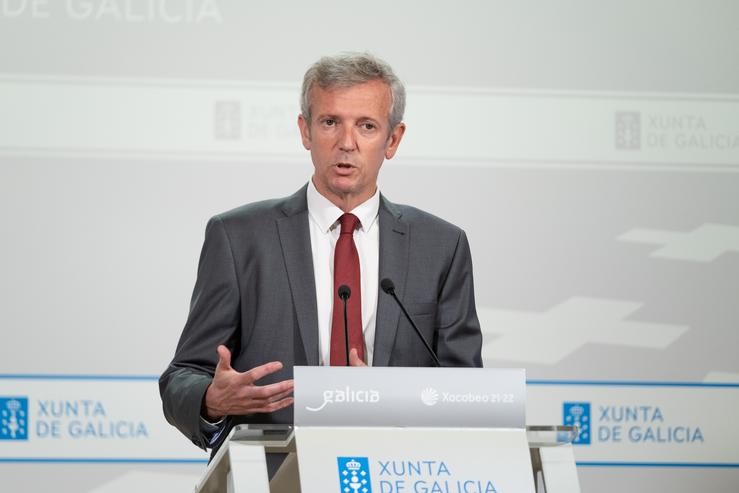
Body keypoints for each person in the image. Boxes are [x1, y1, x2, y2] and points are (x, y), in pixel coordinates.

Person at [159, 52, 482, 467]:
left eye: (366, 126)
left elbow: (467, 393)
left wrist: (391, 400)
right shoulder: (238, 237)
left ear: (393, 139)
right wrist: (211, 398)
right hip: (273, 476)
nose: (346, 142)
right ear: (305, 131)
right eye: (330, 122)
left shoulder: (441, 246)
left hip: (396, 471)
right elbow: (181, 376)